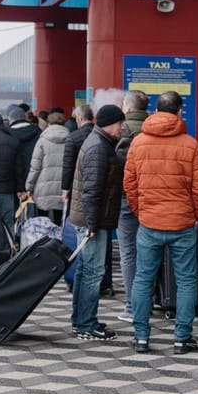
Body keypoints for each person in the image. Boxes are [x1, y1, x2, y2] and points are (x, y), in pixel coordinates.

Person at [123, 91, 198, 355]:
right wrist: (194, 214)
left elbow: (130, 184)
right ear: (180, 111)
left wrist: (141, 212)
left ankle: (141, 338)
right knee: (185, 280)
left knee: (143, 279)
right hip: (182, 223)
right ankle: (182, 338)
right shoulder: (190, 144)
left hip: (149, 223)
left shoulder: (138, 143)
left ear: (155, 110)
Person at [68, 104, 126, 341]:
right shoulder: (99, 149)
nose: (123, 127)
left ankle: (80, 320)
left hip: (89, 218)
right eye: (120, 123)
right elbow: (92, 191)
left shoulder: (97, 143)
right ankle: (86, 324)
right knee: (93, 272)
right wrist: (93, 224)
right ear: (110, 123)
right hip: (93, 221)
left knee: (85, 271)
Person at [114, 90, 148, 323]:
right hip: (153, 198)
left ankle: (132, 306)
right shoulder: (156, 127)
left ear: (127, 107)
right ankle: (154, 298)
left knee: (129, 252)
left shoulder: (121, 130)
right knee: (151, 250)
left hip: (127, 198)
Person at [26, 109, 69, 223]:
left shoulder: (42, 141)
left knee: (43, 223)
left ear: (49, 124)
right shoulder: (70, 140)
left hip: (43, 187)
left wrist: (29, 187)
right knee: (60, 222)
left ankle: (45, 240)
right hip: (63, 188)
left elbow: (35, 167)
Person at [6, 104, 41, 172]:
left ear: (10, 120)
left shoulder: (7, 134)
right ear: (25, 117)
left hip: (14, 173)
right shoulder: (38, 132)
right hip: (34, 171)